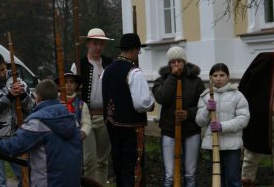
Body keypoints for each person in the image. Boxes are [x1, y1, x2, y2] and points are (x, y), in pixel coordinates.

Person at [0, 79, 83, 187]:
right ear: (56, 96)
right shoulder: (72, 119)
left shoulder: (38, 121)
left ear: (38, 97)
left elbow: (16, 145)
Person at [102, 33, 155, 186]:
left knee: (119, 167)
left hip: (111, 125)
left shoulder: (107, 71)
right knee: (133, 168)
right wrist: (151, 105)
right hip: (131, 128)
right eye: (138, 50)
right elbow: (142, 103)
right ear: (133, 50)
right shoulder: (134, 72)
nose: (138, 54)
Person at [0, 52, 36, 187]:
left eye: (3, 69)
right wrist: (9, 96)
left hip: (15, 137)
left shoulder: (17, 81)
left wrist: (22, 95)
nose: (2, 73)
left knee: (25, 176)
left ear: (6, 65)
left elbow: (32, 107)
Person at [152, 46, 205, 187]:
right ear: (169, 64)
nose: (176, 65)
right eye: (173, 62)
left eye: (179, 61)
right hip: (169, 130)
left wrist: (188, 114)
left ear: (184, 62)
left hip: (191, 130)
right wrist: (173, 77)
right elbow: (162, 98)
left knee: (190, 174)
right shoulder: (161, 80)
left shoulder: (196, 81)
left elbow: (203, 106)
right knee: (169, 175)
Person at [196, 63, 250, 187]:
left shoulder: (237, 95)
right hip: (213, 145)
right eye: (215, 75)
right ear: (210, 77)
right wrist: (206, 110)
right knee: (218, 178)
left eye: (222, 75)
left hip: (232, 145)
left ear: (228, 77)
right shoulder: (205, 97)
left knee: (233, 179)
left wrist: (222, 126)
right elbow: (199, 121)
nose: (218, 78)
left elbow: (244, 119)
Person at [80, 28, 113, 185]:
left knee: (103, 160)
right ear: (88, 44)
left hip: (105, 115)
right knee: (89, 160)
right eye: (95, 43)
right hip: (87, 116)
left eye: (101, 44)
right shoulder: (79, 65)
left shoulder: (109, 63)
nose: (98, 47)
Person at [238, 52, 274, 187]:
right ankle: (247, 181)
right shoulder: (265, 59)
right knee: (252, 154)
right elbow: (246, 85)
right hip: (259, 119)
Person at [62, 69, 91, 140]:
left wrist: (82, 133)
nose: (68, 85)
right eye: (65, 82)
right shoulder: (56, 102)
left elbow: (86, 123)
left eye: (72, 82)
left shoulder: (82, 105)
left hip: (75, 140)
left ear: (76, 85)